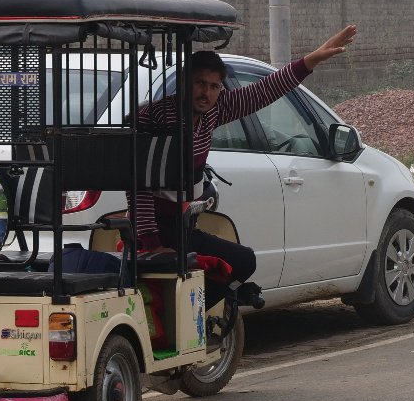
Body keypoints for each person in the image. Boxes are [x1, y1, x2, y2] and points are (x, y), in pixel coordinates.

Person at [134, 25, 357, 308]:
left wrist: (311, 60)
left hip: (182, 225)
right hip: (153, 229)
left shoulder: (212, 111)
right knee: (237, 262)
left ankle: (188, 315)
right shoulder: (156, 117)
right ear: (185, 83)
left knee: (243, 260)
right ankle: (183, 316)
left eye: (214, 86)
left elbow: (264, 91)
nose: (206, 93)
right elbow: (138, 184)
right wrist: (151, 242)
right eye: (200, 83)